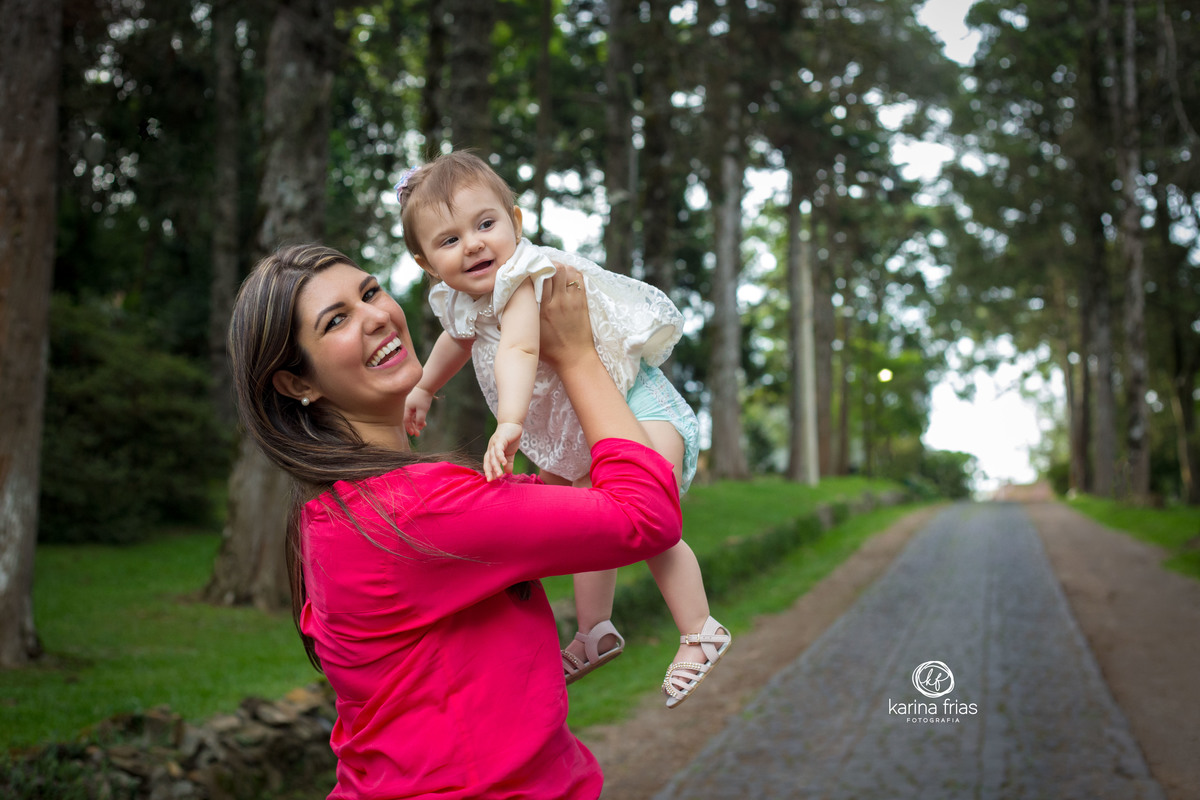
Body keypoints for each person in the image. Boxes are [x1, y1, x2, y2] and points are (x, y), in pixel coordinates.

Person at [227, 243, 684, 799]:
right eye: (337, 320)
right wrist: (578, 355)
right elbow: (645, 515)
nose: (376, 316)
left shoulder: (340, 510)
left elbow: (559, 502)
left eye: (371, 292)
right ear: (298, 384)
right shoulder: (410, 511)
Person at [396, 151, 731, 708]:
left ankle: (700, 629)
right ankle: (594, 630)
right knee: (594, 523)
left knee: (652, 521)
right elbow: (454, 341)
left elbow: (521, 345)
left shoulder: (526, 277)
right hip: (588, 432)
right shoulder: (461, 298)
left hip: (641, 409)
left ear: (516, 222)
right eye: (449, 240)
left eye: (485, 224)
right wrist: (426, 386)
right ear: (426, 262)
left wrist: (509, 422)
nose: (475, 244)